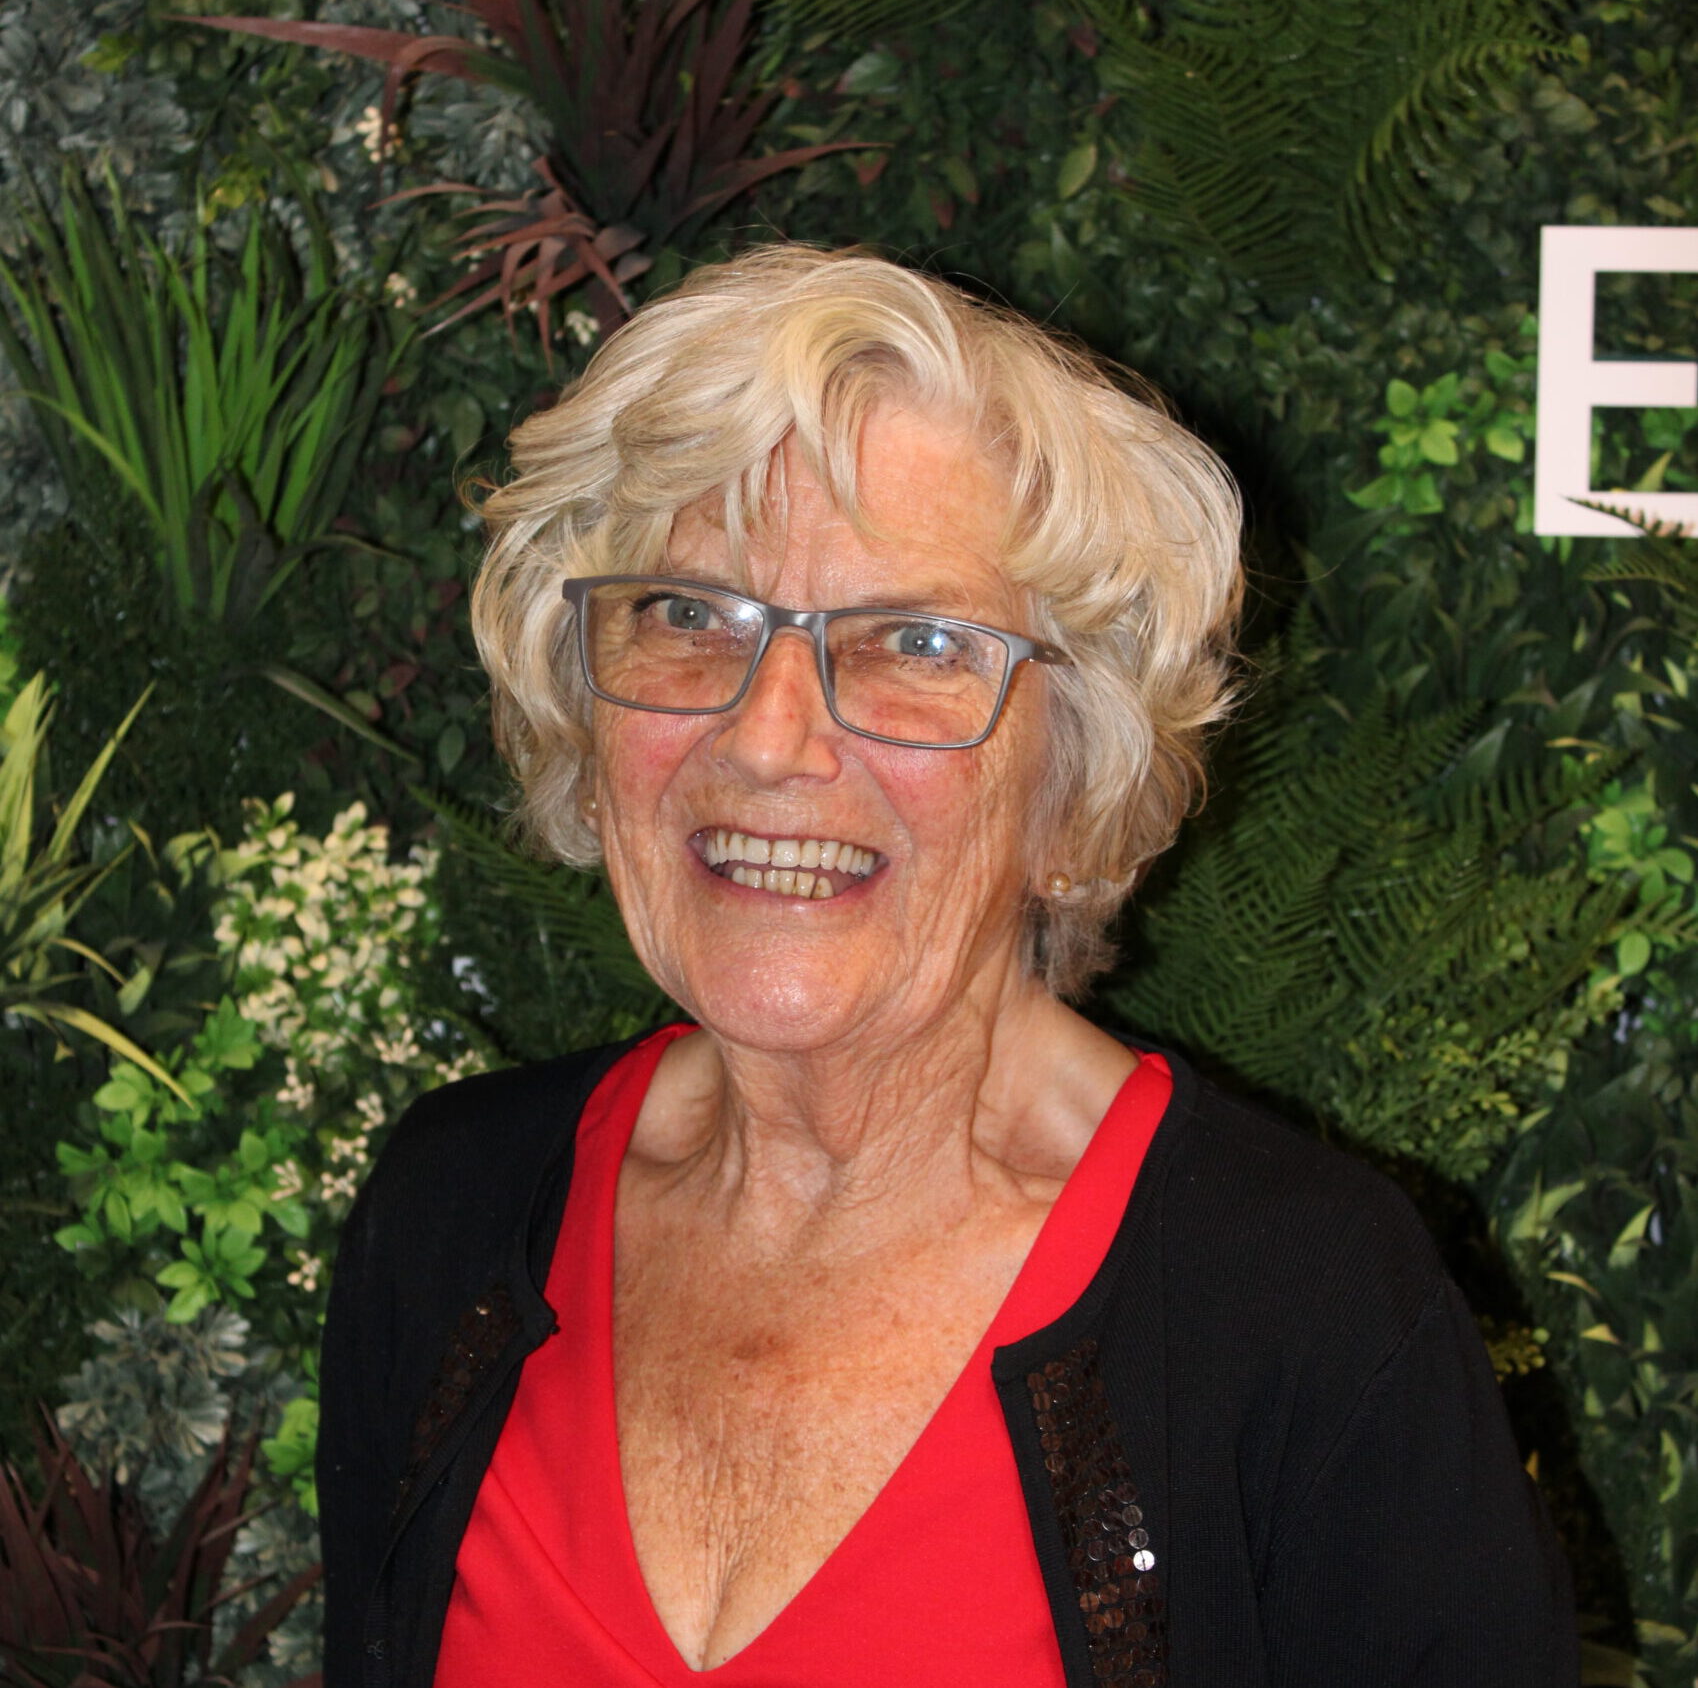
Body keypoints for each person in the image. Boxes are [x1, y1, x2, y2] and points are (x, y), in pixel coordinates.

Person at [317, 245, 1577, 1688]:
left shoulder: (1300, 1312)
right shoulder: (450, 1216)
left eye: (913, 640)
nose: (769, 737)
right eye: (686, 616)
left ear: (1072, 780)